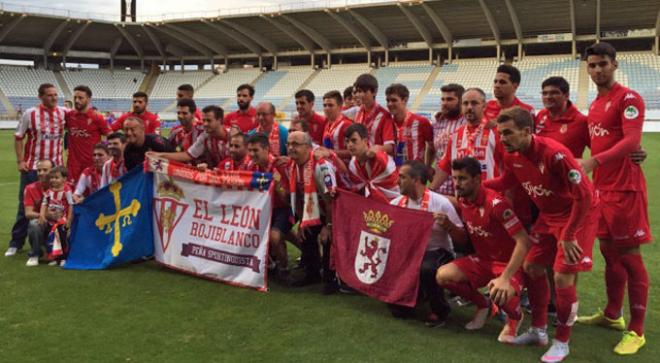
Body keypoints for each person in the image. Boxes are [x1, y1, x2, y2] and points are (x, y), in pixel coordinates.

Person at [484, 108, 597, 363]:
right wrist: (475, 186)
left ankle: (563, 342)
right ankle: (538, 330)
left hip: (578, 214)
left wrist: (569, 234)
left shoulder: (555, 154)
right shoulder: (513, 154)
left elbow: (585, 195)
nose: (502, 138)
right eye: (500, 133)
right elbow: (505, 183)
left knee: (562, 276)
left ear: (527, 131)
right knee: (533, 266)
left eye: (508, 133)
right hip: (549, 216)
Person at [576, 42, 652, 356]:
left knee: (630, 257)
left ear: (615, 64)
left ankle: (637, 330)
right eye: (592, 65)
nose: (597, 70)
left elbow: (633, 139)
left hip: (626, 190)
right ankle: (612, 315)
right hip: (602, 191)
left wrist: (594, 162)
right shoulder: (595, 104)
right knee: (609, 253)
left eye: (602, 64)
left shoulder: (628, 98)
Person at [436, 156, 531, 342]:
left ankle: (515, 317)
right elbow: (463, 237)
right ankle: (483, 304)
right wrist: (448, 225)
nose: (457, 184)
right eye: (455, 178)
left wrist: (505, 277)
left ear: (478, 179)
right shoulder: (463, 199)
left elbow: (524, 242)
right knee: (442, 276)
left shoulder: (497, 205)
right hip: (483, 260)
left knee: (499, 290)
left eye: (462, 179)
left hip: (507, 264)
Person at [390, 160, 466, 325]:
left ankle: (440, 310)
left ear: (416, 180)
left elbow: (462, 238)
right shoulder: (396, 204)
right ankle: (417, 295)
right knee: (398, 311)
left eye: (402, 177)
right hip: (409, 254)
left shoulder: (440, 203)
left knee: (427, 268)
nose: (397, 182)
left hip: (437, 252)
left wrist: (448, 225)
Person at [7, 83, 65, 257]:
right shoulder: (30, 114)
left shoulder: (63, 113)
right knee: (25, 206)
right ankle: (16, 242)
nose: (54, 98)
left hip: (55, 171)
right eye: (49, 95)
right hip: (33, 168)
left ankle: (54, 243)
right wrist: (20, 161)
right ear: (40, 97)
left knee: (57, 205)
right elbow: (18, 137)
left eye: (55, 95)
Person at [286, 131, 338, 293]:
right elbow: (300, 196)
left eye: (296, 144)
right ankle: (312, 273)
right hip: (315, 210)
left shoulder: (321, 167)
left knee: (327, 239)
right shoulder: (293, 166)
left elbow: (332, 200)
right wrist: (302, 221)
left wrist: (328, 226)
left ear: (308, 147)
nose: (291, 148)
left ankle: (331, 280)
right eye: (289, 144)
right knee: (306, 233)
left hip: (335, 211)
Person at [430, 88, 503, 191]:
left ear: (484, 105)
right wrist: (430, 190)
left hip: (490, 197)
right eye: (465, 103)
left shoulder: (495, 132)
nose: (469, 107)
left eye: (474, 103)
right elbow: (445, 166)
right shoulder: (456, 135)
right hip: (463, 200)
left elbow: (507, 168)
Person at [246, 133, 291, 280]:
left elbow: (287, 199)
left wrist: (278, 187)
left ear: (266, 149)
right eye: (250, 150)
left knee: (275, 237)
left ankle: (284, 268)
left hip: (283, 208)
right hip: (265, 208)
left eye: (255, 150)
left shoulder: (280, 165)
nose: (252, 154)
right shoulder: (251, 167)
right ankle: (270, 264)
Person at [149, 105, 228, 169]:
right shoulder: (205, 136)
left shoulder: (233, 136)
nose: (205, 124)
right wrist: (159, 155)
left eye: (209, 120)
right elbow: (188, 155)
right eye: (204, 120)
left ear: (220, 120)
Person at [534, 77, 589, 158]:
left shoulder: (582, 121)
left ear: (566, 96)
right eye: (544, 93)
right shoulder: (540, 115)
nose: (548, 97)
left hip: (567, 170)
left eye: (554, 93)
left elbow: (598, 151)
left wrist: (587, 163)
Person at [65, 85, 110, 183]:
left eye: (80, 98)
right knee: (73, 195)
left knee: (92, 196)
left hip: (92, 165)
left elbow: (110, 135)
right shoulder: (69, 116)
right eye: (75, 98)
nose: (77, 100)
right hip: (73, 166)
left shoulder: (97, 118)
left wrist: (105, 152)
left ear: (88, 99)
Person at [344, 123, 400, 203]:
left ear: (365, 141)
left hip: (394, 204)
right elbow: (357, 189)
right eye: (347, 141)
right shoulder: (353, 165)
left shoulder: (381, 158)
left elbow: (393, 182)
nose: (350, 145)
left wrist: (375, 156)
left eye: (354, 140)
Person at [385, 83, 434, 166]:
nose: (389, 104)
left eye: (394, 100)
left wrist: (427, 166)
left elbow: (432, 146)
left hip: (415, 176)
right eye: (388, 100)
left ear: (405, 100)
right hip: (392, 176)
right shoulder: (386, 124)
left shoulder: (421, 122)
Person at [432, 83, 466, 195]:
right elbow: (431, 148)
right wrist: (427, 165)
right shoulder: (437, 122)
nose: (444, 103)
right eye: (443, 99)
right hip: (439, 187)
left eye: (450, 99)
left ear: (461, 101)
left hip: (460, 188)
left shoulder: (467, 122)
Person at [39, 166, 74, 266]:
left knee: (63, 238)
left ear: (64, 179)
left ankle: (64, 258)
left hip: (62, 220)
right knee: (52, 238)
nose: (53, 180)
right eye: (52, 177)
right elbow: (44, 203)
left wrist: (69, 220)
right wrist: (42, 215)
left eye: (56, 177)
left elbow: (71, 205)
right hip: (51, 220)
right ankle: (53, 257)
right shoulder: (49, 191)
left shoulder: (67, 190)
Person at [353, 74, 396, 155]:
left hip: (376, 163)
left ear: (375, 92)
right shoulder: (358, 112)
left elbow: (390, 147)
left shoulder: (384, 115)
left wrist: (376, 149)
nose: (361, 95)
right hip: (360, 161)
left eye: (365, 91)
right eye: (359, 91)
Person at [24, 160, 54, 267]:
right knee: (34, 224)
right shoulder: (30, 188)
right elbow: (28, 213)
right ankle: (34, 255)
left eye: (45, 170)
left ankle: (61, 254)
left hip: (58, 223)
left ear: (53, 171)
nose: (41, 173)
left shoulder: (62, 186)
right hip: (43, 223)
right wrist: (44, 215)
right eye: (39, 170)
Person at [321, 90, 352, 163]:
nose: (327, 108)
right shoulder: (327, 124)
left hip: (344, 169)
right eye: (325, 105)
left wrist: (330, 152)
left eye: (330, 105)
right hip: (331, 167)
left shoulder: (347, 125)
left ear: (340, 107)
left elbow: (352, 151)